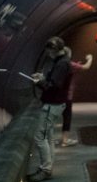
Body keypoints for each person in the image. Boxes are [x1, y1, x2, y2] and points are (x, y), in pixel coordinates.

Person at [26, 37, 71, 182]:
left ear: (53, 49)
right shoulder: (62, 62)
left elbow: (53, 86)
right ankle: (48, 166)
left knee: (40, 137)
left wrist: (39, 82)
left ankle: (45, 169)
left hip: (52, 105)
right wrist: (43, 77)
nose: (48, 54)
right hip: (56, 104)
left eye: (49, 51)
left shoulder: (62, 64)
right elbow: (54, 81)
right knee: (48, 137)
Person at [58, 49, 93, 147]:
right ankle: (65, 140)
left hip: (57, 94)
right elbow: (86, 66)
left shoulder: (59, 64)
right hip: (67, 95)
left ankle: (50, 139)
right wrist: (90, 58)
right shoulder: (70, 64)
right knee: (67, 117)